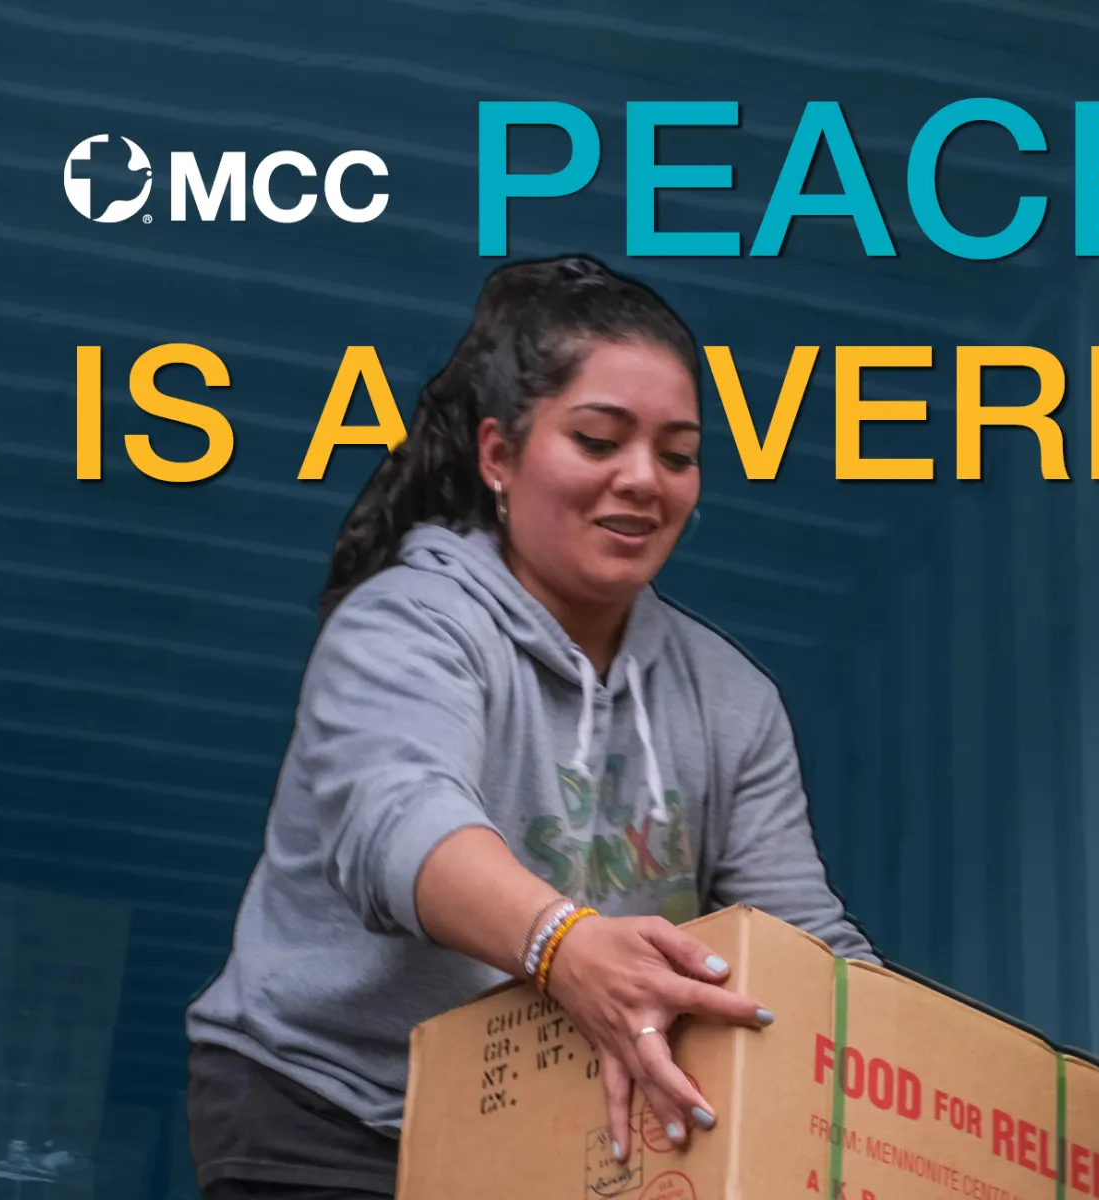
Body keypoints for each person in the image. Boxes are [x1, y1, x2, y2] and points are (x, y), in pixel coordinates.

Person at [181, 255, 878, 1199]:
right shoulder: (409, 622)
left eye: (677, 455)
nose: (643, 480)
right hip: (328, 1110)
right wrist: (566, 946)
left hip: (548, 1131)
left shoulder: (732, 699)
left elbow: (801, 937)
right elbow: (400, 823)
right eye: (598, 440)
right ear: (499, 456)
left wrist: (922, 1078)